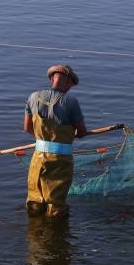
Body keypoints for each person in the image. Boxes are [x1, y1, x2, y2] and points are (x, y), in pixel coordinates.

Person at [24, 64, 87, 217]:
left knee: (35, 201)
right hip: (60, 160)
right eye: (71, 85)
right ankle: (56, 236)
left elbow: (27, 127)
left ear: (52, 78)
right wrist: (70, 135)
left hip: (38, 158)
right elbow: (82, 131)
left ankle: (34, 236)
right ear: (68, 82)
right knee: (56, 205)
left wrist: (43, 139)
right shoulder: (70, 101)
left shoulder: (33, 97)